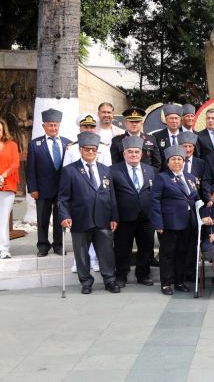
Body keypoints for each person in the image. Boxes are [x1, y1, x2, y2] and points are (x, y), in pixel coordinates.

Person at [57, 132, 120, 294]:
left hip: (103, 218)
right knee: (81, 253)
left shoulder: (105, 170)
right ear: (80, 150)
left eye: (93, 149)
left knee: (106, 251)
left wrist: (114, 217)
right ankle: (86, 282)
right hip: (80, 218)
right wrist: (64, 216)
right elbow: (63, 197)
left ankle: (110, 280)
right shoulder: (70, 170)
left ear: (97, 151)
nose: (90, 152)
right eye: (87, 149)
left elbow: (111, 195)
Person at [151, 145, 201, 295]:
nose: (177, 162)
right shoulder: (162, 178)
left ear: (184, 161)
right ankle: (166, 283)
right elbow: (154, 201)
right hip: (169, 223)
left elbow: (195, 198)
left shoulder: (190, 177)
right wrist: (158, 222)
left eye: (180, 159)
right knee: (167, 254)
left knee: (182, 253)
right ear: (168, 162)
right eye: (173, 159)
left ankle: (179, 281)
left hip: (188, 223)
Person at [110, 135, 156, 286]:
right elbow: (111, 196)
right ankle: (121, 276)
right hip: (124, 218)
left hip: (146, 217)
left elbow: (153, 193)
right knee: (122, 248)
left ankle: (143, 275)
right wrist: (114, 217)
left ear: (141, 154)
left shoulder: (149, 170)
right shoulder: (113, 170)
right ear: (124, 154)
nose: (133, 154)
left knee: (146, 247)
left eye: (136, 152)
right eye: (130, 152)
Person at [27, 108, 71, 257]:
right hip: (42, 189)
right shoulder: (35, 144)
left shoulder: (67, 143)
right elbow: (30, 169)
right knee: (42, 219)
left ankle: (59, 245)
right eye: (50, 125)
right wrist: (32, 188)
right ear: (44, 126)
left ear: (59, 125)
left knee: (60, 218)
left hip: (62, 189)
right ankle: (43, 246)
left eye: (55, 125)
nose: (53, 128)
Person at [0, 118, 20, 259]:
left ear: (3, 131)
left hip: (7, 186)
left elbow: (15, 164)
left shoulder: (12, 145)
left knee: (3, 219)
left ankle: (4, 249)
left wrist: (3, 176)